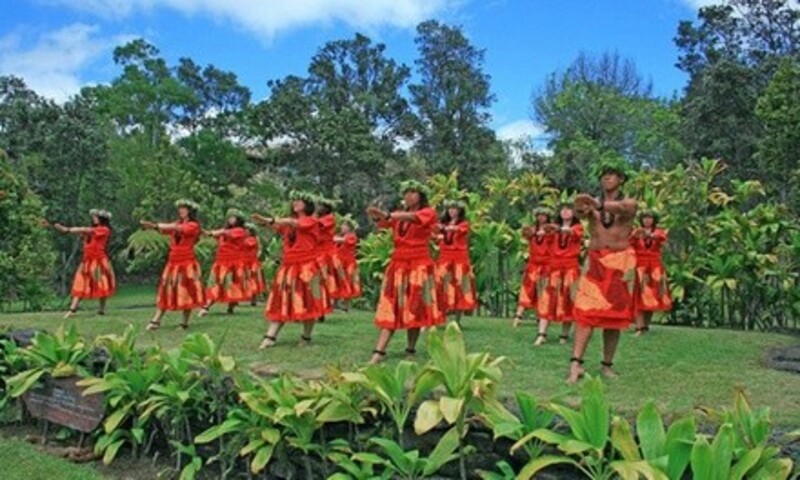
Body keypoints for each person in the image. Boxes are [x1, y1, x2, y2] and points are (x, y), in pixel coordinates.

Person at [568, 159, 638, 383]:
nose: (606, 178)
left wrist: (595, 205)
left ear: (621, 179)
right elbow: (579, 213)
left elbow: (623, 209)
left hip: (619, 264)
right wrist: (579, 205)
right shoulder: (593, 205)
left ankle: (607, 365)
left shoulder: (629, 202)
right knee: (584, 314)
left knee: (613, 319)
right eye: (603, 175)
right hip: (595, 263)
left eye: (611, 174)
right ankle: (576, 364)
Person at [366, 181, 444, 364]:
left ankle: (410, 348)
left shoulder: (428, 212)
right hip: (398, 265)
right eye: (406, 192)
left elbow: (413, 218)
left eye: (413, 192)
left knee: (414, 307)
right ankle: (379, 351)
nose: (409, 195)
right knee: (391, 305)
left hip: (419, 266)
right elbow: (383, 225)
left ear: (421, 196)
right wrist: (376, 216)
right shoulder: (399, 215)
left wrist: (387, 214)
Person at [252, 191, 326, 349]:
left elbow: (293, 222)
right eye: (294, 201)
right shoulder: (290, 225)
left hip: (307, 268)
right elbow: (280, 226)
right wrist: (265, 222)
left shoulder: (311, 221)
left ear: (307, 205)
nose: (295, 203)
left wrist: (270, 219)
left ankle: (306, 337)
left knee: (308, 302)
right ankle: (270, 336)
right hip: (289, 267)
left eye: (299, 201)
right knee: (282, 300)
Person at [140, 199, 205, 331]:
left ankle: (184, 323)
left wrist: (156, 225)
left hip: (186, 262)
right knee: (166, 289)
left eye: (184, 208)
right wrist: (154, 227)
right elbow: (168, 229)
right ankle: (156, 320)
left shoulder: (193, 225)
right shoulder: (177, 223)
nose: (181, 211)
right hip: (173, 262)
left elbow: (176, 228)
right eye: (180, 208)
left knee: (186, 291)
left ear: (190, 211)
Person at [52, 209, 116, 318]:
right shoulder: (92, 230)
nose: (94, 218)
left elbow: (84, 229)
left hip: (98, 261)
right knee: (80, 283)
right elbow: (82, 231)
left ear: (102, 219)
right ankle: (72, 310)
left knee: (101, 284)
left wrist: (67, 229)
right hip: (86, 261)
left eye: (96, 217)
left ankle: (101, 310)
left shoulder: (104, 230)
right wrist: (65, 230)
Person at [535, 203, 583, 346]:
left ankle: (564, 335)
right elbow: (545, 238)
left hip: (570, 268)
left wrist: (558, 229)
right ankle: (541, 334)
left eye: (569, 210)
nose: (565, 212)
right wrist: (544, 232)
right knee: (547, 298)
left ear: (574, 213)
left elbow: (574, 233)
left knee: (568, 300)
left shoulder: (578, 227)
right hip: (554, 268)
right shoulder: (552, 228)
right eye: (563, 210)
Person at [199, 208, 249, 316]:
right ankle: (206, 306)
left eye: (233, 217)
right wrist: (205, 232)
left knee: (231, 286)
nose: (231, 219)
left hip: (233, 263)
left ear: (239, 219)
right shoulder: (225, 231)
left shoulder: (240, 231)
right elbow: (219, 235)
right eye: (229, 217)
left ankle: (230, 307)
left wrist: (210, 232)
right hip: (221, 262)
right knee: (215, 283)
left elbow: (224, 233)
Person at [434, 199, 477, 324]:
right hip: (445, 258)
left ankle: (456, 320)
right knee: (440, 285)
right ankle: (439, 317)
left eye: (455, 209)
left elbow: (456, 229)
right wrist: (437, 234)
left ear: (460, 211)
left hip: (459, 259)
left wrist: (443, 228)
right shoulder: (443, 224)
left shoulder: (464, 224)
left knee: (460, 287)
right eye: (450, 209)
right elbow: (436, 235)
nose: (452, 211)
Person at [630, 210, 672, 336]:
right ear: (641, 220)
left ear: (654, 220)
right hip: (641, 267)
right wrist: (635, 236)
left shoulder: (659, 232)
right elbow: (629, 244)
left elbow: (664, 242)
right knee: (640, 295)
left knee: (652, 296)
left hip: (655, 268)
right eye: (645, 218)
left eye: (649, 218)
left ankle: (645, 326)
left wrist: (653, 236)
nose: (647, 220)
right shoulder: (636, 231)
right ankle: (639, 327)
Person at [513, 207, 555, 328]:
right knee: (527, 289)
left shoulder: (552, 230)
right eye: (539, 215)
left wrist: (546, 231)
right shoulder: (531, 230)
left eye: (544, 215)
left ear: (548, 217)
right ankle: (518, 316)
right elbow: (525, 234)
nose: (541, 217)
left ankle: (541, 316)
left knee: (543, 291)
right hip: (533, 264)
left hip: (546, 265)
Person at [315, 196, 347, 319]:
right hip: (316, 252)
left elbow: (316, 225)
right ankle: (318, 308)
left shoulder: (329, 218)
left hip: (326, 254)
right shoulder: (318, 218)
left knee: (323, 281)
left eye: (320, 206)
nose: (318, 208)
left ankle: (323, 309)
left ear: (326, 208)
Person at [333, 216, 362, 311]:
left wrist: (328, 238)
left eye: (344, 226)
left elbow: (340, 240)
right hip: (340, 262)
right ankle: (335, 303)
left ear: (349, 228)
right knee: (338, 282)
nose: (342, 228)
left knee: (347, 282)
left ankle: (346, 306)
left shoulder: (352, 236)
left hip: (348, 263)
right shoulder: (341, 236)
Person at [243, 222, 265, 306]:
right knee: (245, 279)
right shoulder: (243, 239)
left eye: (247, 230)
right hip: (245, 260)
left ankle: (254, 299)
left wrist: (258, 255)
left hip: (253, 261)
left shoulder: (255, 239)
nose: (246, 231)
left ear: (251, 231)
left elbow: (259, 248)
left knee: (253, 278)